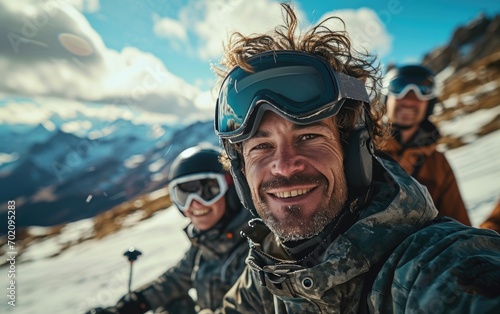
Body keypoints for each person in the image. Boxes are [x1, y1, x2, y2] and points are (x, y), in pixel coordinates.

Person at [212, 3, 500, 313]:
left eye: (309, 137)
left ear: (355, 152)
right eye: (261, 146)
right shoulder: (269, 267)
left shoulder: (429, 269)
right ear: (241, 171)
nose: (283, 165)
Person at [86, 144, 252, 314]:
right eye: (183, 195)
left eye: (208, 190)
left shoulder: (254, 248)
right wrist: (130, 306)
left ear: (232, 190)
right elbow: (173, 280)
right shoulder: (205, 245)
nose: (194, 203)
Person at [378, 64, 471, 225]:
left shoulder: (438, 164)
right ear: (385, 97)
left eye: (423, 90)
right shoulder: (360, 145)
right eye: (399, 87)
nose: (409, 100)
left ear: (430, 104)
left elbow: (459, 226)